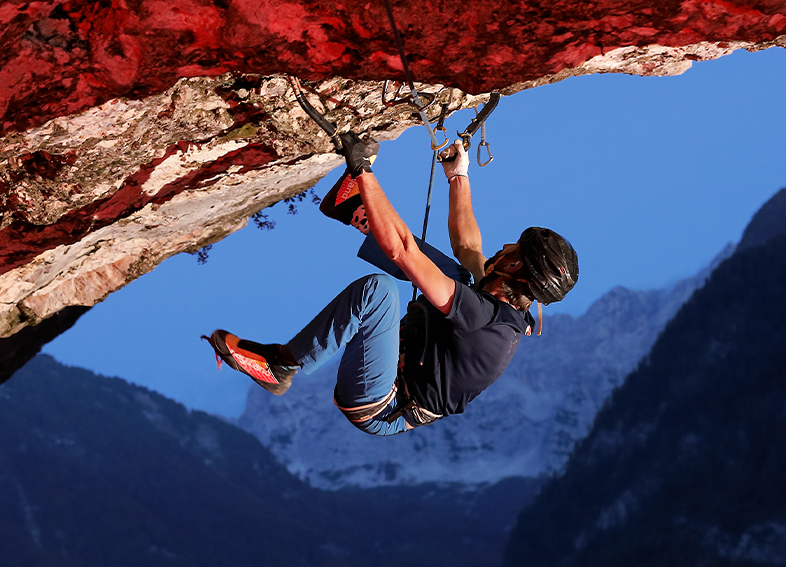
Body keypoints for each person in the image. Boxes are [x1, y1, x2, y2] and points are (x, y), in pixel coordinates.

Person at [205, 137, 578, 436]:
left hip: (381, 403)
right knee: (457, 273)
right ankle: (350, 205)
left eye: (514, 248)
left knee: (380, 292)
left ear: (516, 266)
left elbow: (402, 251)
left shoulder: (486, 318)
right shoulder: (502, 298)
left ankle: (282, 365)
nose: (506, 246)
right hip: (393, 377)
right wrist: (458, 175)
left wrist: (364, 172)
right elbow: (468, 248)